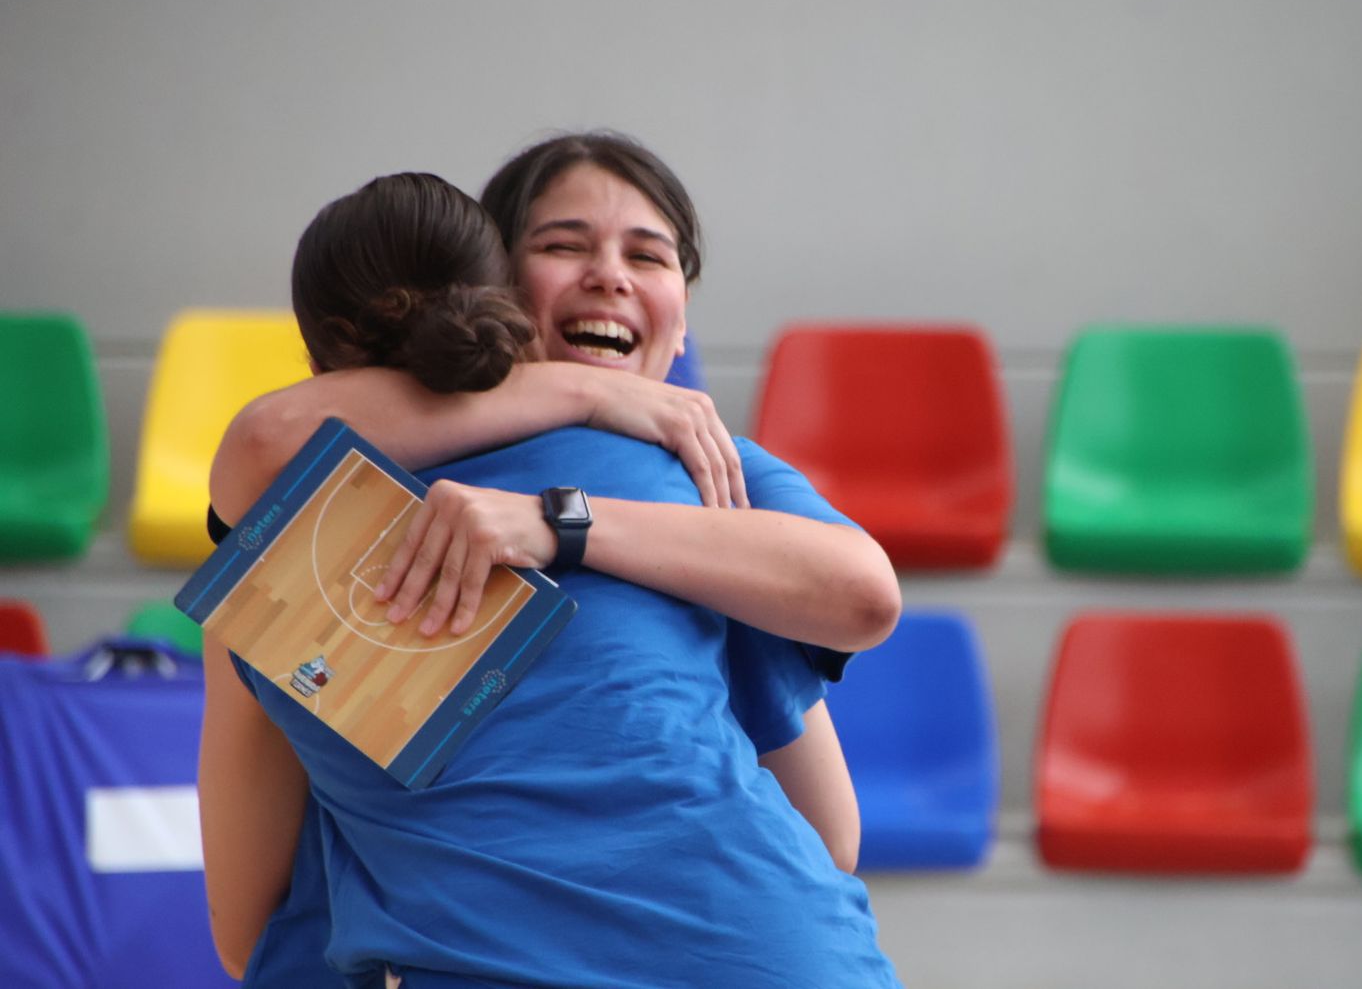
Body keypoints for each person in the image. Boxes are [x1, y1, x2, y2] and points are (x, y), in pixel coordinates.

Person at [199, 161, 903, 987]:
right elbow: (828, 833)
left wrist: (562, 525)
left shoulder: (713, 477)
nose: (609, 274)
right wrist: (587, 402)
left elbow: (248, 930)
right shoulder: (684, 482)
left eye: (649, 255)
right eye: (565, 245)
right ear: (498, 289)